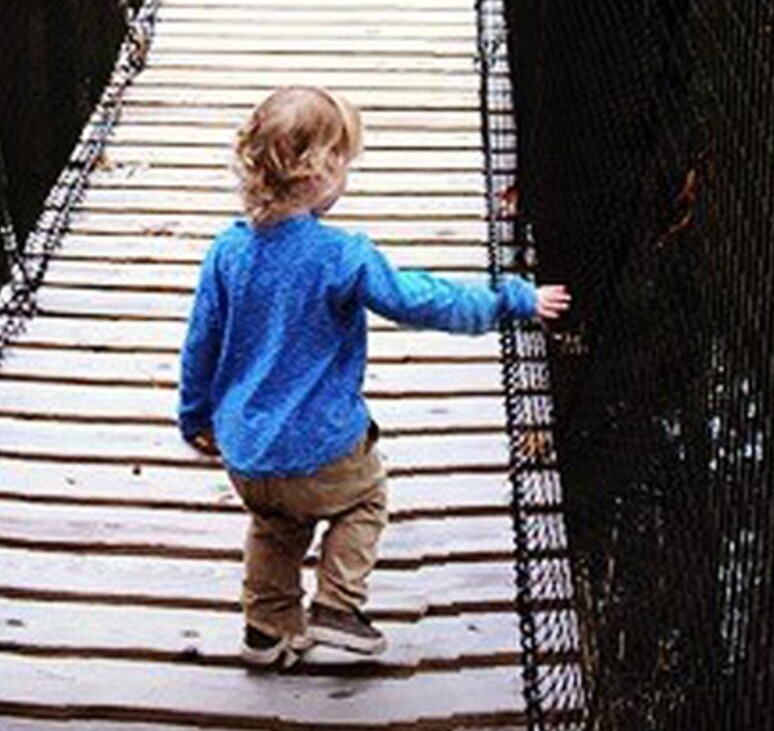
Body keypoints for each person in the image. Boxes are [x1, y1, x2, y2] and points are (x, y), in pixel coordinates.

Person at [175, 83, 567, 666]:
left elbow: (200, 342)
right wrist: (510, 299)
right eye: (345, 165)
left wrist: (194, 418)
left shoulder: (226, 252)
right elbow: (421, 300)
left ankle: (266, 631)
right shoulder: (343, 256)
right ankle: (337, 605)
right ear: (319, 174)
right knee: (365, 501)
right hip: (322, 448)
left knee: (275, 528)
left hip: (248, 455)